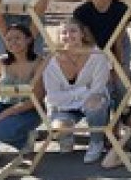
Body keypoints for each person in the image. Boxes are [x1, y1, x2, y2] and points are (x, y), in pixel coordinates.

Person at [0, 23, 43, 168]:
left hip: (31, 109)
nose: (13, 43)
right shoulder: (1, 62)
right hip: (4, 104)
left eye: (17, 38)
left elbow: (36, 99)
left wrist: (5, 114)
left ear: (29, 40)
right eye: (9, 39)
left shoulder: (39, 63)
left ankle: (24, 142)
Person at [42, 18, 111, 164]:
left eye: (73, 31)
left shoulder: (97, 55)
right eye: (64, 32)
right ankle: (66, 136)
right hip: (63, 106)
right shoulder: (51, 61)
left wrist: (82, 95)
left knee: (96, 104)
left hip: (91, 101)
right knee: (58, 128)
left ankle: (96, 141)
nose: (68, 35)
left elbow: (97, 89)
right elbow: (53, 97)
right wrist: (82, 91)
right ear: (58, 37)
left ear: (82, 34)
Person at [72, 0, 130, 110]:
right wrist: (103, 67)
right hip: (93, 47)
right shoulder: (81, 12)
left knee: (121, 84)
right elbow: (91, 43)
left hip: (119, 44)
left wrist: (118, 68)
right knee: (101, 83)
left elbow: (118, 42)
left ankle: (118, 121)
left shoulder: (122, 9)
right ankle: (102, 122)